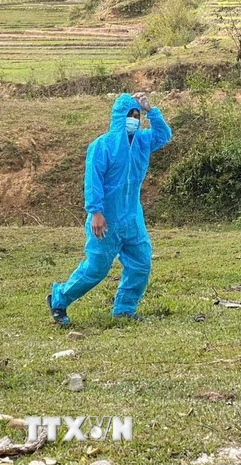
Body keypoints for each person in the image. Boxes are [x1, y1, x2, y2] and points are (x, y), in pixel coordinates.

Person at [47, 92, 172, 325]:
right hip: (105, 219)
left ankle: (124, 309)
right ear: (118, 116)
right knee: (95, 269)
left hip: (133, 218)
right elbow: (92, 180)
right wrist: (95, 212)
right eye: (130, 114)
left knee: (141, 264)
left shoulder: (143, 142)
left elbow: (164, 135)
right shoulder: (102, 145)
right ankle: (59, 299)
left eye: (137, 115)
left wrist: (150, 110)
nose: (134, 118)